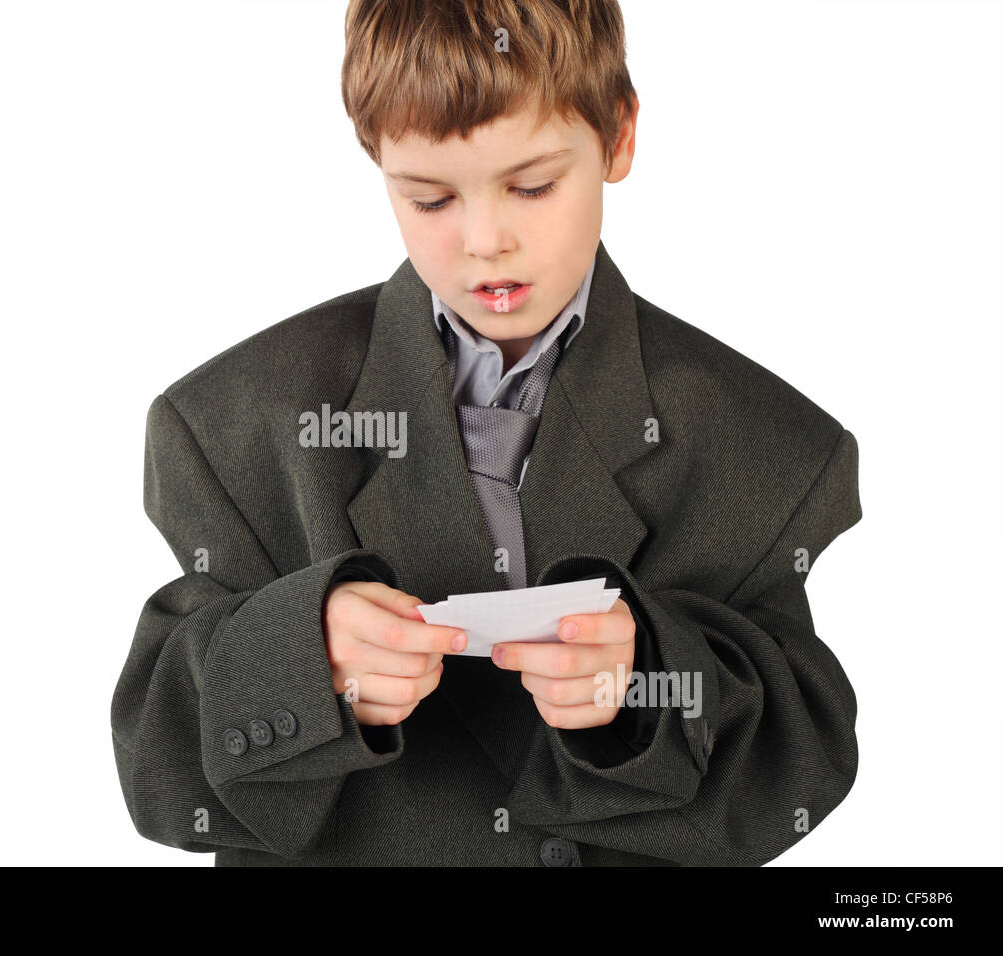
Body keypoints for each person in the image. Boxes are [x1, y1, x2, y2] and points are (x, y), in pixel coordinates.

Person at [109, 0, 863, 866]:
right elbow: (155, 775)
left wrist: (650, 680)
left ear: (619, 136)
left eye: (532, 186)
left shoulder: (763, 443)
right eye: (428, 198)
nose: (485, 242)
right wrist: (301, 663)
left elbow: (803, 768)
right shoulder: (232, 424)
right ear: (375, 160)